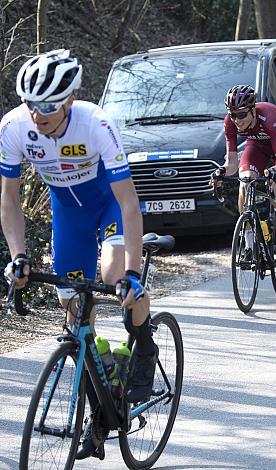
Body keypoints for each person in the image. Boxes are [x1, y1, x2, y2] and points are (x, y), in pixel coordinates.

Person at [0, 49, 155, 460]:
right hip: (67, 214)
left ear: (69, 100)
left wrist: (133, 271)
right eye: (31, 104)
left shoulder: (96, 123)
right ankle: (100, 403)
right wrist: (18, 256)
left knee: (112, 276)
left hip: (108, 207)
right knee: (73, 312)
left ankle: (145, 348)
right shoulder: (14, 127)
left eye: (48, 106)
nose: (38, 114)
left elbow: (129, 203)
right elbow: (9, 200)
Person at [218, 85, 276, 268]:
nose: (237, 120)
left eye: (241, 114)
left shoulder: (268, 116)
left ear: (253, 110)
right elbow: (231, 164)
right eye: (233, 114)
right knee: (244, 183)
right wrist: (221, 172)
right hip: (257, 146)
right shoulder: (229, 123)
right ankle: (248, 242)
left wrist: (273, 172)